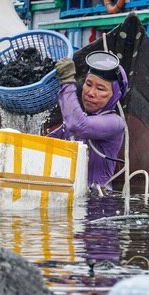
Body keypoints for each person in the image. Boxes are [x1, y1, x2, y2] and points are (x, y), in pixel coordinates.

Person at [49, 52, 129, 191]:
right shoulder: (71, 122)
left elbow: (78, 125)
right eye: (88, 84)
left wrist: (67, 81)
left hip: (98, 203)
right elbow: (45, 144)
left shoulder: (115, 124)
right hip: (70, 195)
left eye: (100, 89)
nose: (91, 93)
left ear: (114, 95)